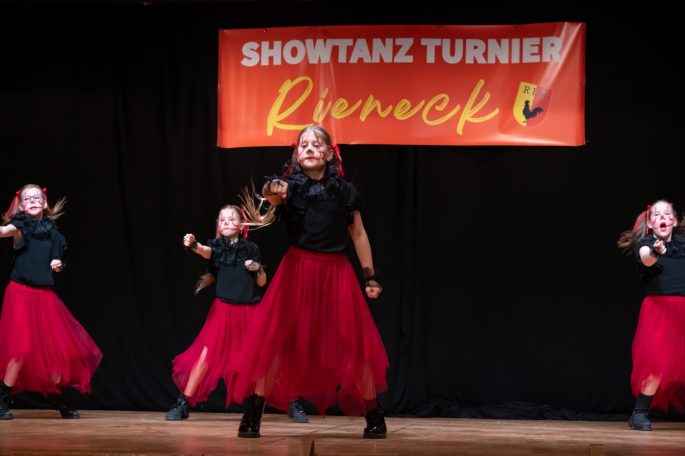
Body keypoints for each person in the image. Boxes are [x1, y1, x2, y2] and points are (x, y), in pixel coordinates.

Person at [233, 125, 388, 439]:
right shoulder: (290, 188)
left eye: (317, 144)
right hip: (297, 272)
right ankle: (253, 411)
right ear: (296, 156)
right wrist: (274, 187)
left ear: (329, 153)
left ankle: (374, 413)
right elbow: (269, 193)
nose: (309, 148)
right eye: (303, 145)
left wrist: (369, 275)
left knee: (354, 344)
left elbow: (358, 234)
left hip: (336, 274)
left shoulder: (345, 192)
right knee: (278, 342)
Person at [0, 184, 102, 420]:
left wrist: (58, 265)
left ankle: (58, 397)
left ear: (45, 203)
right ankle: (2, 397)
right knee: (21, 349)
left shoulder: (53, 232)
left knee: (57, 351)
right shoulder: (19, 227)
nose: (33, 201)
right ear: (21, 206)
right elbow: (4, 231)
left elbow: (58, 259)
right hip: (21, 294)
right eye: (28, 199)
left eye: (37, 197)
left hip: (44, 296)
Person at [165, 205, 267, 420]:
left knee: (258, 359)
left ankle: (260, 404)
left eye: (231, 218)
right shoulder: (218, 248)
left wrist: (257, 268)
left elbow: (261, 282)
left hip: (250, 312)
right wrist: (194, 244)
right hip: (223, 312)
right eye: (222, 220)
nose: (226, 222)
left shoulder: (251, 249)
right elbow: (205, 250)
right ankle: (184, 402)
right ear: (218, 226)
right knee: (206, 356)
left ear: (242, 225)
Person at [618, 199, 685, 430]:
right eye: (656, 214)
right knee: (656, 363)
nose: (662, 217)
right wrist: (656, 252)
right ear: (650, 223)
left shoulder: (683, 245)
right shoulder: (646, 244)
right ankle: (639, 413)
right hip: (660, 311)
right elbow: (646, 258)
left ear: (674, 221)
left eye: (667, 213)